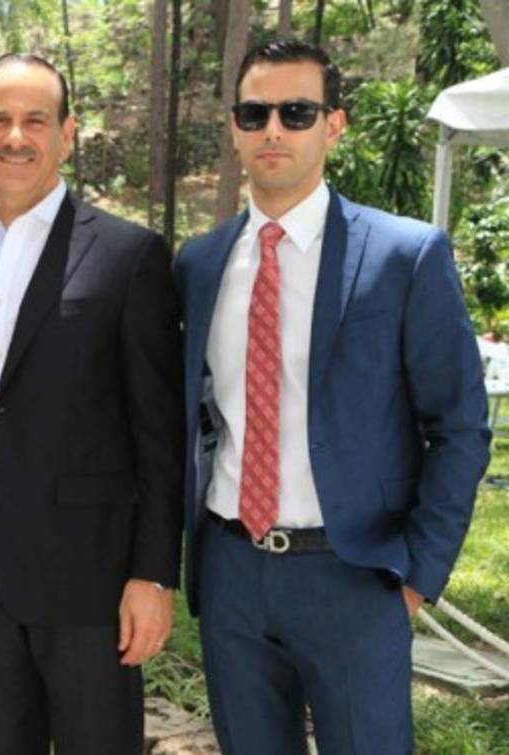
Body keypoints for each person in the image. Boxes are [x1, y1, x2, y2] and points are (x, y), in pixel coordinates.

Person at [176, 39, 491, 754]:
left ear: (334, 125)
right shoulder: (199, 263)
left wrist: (417, 574)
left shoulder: (404, 255)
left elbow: (461, 427)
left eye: (296, 111)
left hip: (355, 575)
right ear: (234, 126)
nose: (274, 130)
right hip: (231, 574)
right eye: (255, 113)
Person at [0, 53, 184, 754]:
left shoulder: (129, 256)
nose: (16, 136)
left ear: (67, 133)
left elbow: (159, 430)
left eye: (36, 119)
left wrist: (152, 572)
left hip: (91, 583)